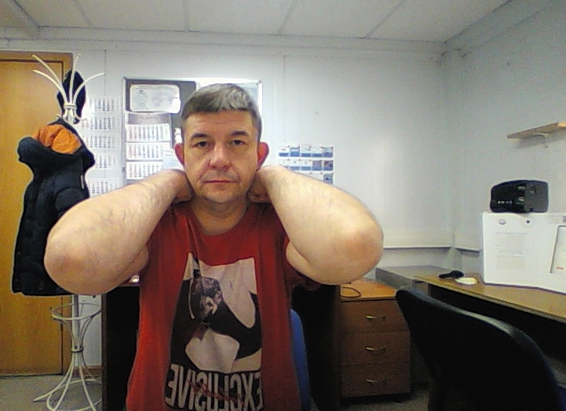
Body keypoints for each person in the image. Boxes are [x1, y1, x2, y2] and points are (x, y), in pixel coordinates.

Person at [45, 83, 383, 411]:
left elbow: (356, 248)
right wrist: (167, 181)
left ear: (258, 153)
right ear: (182, 155)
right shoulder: (156, 222)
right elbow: (69, 260)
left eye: (237, 142)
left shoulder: (280, 224)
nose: (219, 159)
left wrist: (274, 177)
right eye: (202, 144)